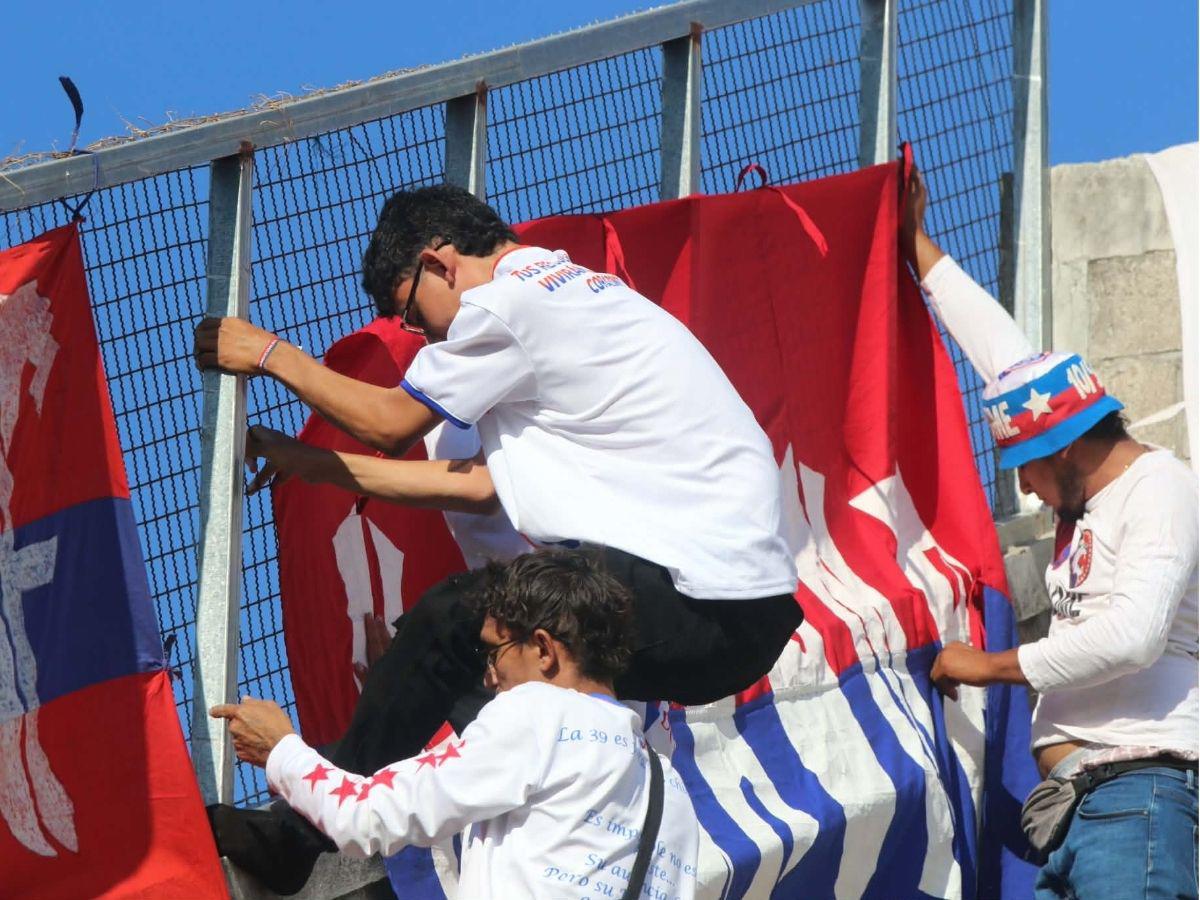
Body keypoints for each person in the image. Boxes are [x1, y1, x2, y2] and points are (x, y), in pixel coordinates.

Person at [195, 184, 801, 892]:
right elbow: (476, 484)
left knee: (463, 617)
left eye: (412, 317)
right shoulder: (570, 288)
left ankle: (300, 832)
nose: (424, 340)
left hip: (700, 597)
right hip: (735, 613)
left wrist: (267, 352)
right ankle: (395, 852)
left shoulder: (507, 304)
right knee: (483, 677)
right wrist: (316, 466)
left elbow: (392, 422)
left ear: (439, 262)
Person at [902, 170, 1198, 899]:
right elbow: (1001, 352)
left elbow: (1135, 634)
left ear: (1064, 448)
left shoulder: (1161, 486)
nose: (1023, 488)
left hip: (1141, 800)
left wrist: (992, 665)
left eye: (1024, 469)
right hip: (1080, 815)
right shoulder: (1077, 473)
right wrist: (914, 241)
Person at [211, 550, 700, 900]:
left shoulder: (536, 715)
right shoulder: (669, 785)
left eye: (494, 653)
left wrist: (280, 747)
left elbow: (365, 816)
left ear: (546, 650)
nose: (488, 677)